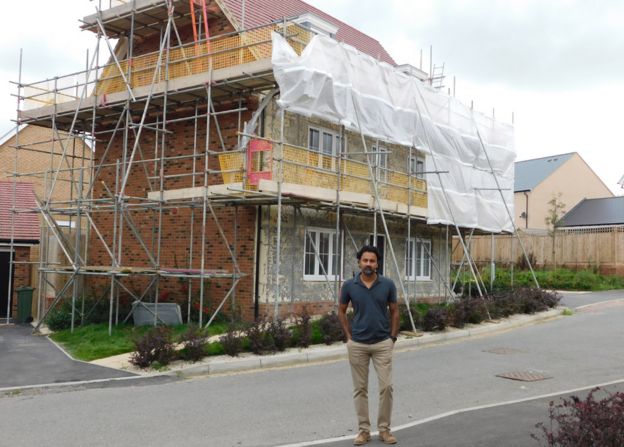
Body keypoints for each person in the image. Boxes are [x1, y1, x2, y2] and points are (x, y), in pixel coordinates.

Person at [338, 244, 400, 445]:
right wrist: (348, 337)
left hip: (382, 343)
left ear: (377, 264)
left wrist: (392, 337)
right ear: (359, 262)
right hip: (358, 345)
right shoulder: (349, 286)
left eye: (372, 261)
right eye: (365, 260)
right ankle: (364, 431)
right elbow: (341, 311)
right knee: (360, 389)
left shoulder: (388, 284)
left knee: (387, 387)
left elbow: (394, 311)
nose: (368, 264)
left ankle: (384, 430)